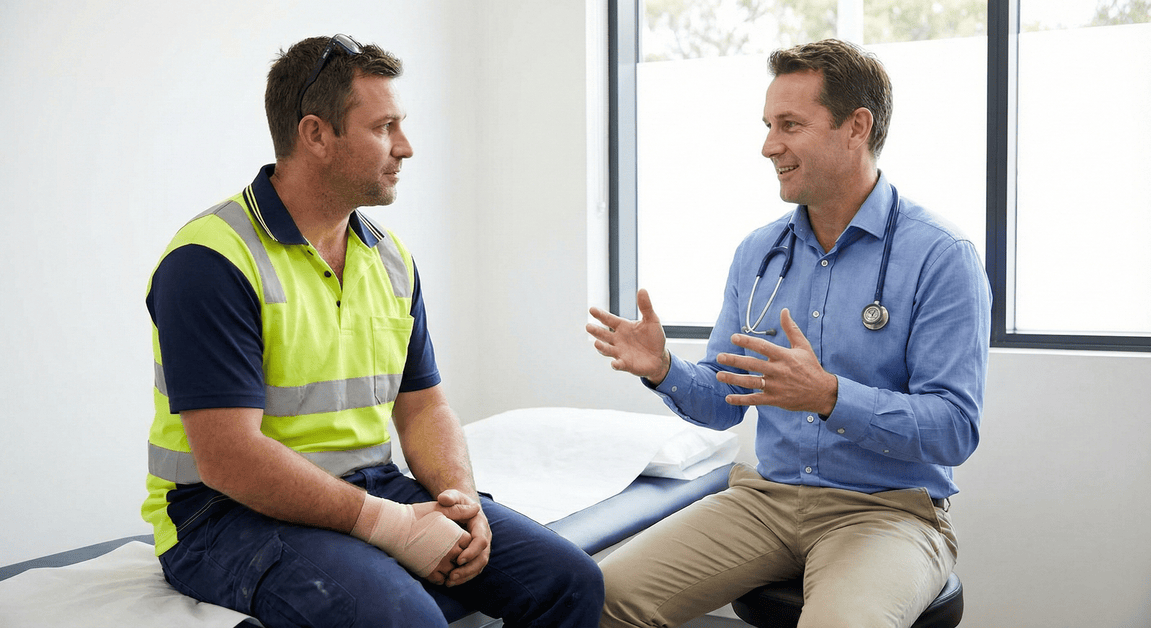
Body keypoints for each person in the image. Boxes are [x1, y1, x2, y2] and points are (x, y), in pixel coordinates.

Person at [142, 34, 603, 628]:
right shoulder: (212, 260)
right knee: (405, 619)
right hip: (221, 514)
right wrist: (390, 525)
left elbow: (424, 407)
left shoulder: (389, 259)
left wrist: (460, 501)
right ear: (316, 135)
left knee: (569, 582)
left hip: (367, 484)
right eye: (385, 127)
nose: (405, 148)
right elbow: (230, 459)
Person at [587, 39, 990, 628]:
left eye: (791, 125)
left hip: (887, 514)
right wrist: (665, 369)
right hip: (764, 499)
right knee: (599, 596)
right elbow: (726, 407)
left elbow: (955, 430)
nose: (769, 145)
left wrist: (830, 397)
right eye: (769, 125)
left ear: (857, 127)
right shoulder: (760, 253)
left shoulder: (941, 257)